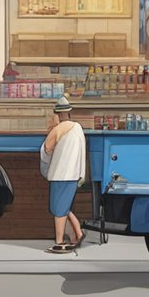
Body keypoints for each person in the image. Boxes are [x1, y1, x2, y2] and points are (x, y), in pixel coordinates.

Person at [41, 94, 86, 254]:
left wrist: (50, 129)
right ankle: (78, 233)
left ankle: (59, 242)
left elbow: (47, 148)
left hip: (59, 174)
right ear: (69, 112)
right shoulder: (78, 128)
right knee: (64, 206)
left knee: (58, 209)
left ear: (58, 114)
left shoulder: (57, 129)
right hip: (74, 174)